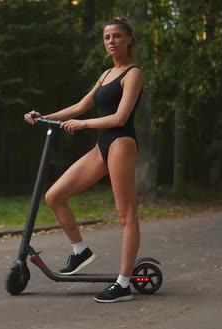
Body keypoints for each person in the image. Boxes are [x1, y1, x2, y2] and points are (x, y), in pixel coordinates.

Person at [23, 17, 143, 303]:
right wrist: (44, 117)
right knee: (55, 196)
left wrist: (83, 125)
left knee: (126, 214)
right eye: (106, 37)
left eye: (116, 36)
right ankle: (81, 251)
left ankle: (124, 283)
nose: (111, 41)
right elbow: (80, 106)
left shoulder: (133, 74)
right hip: (102, 146)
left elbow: (120, 117)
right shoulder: (105, 75)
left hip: (121, 144)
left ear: (129, 40)